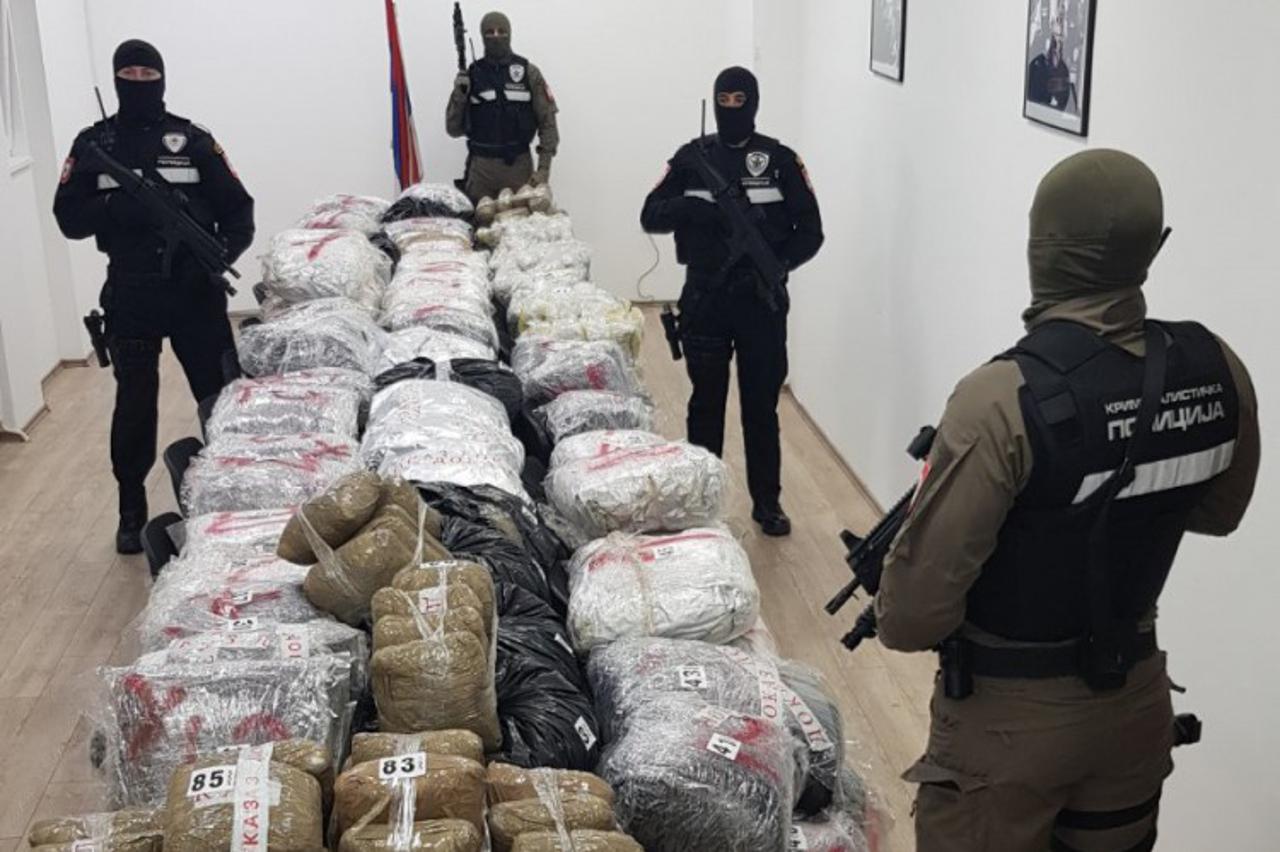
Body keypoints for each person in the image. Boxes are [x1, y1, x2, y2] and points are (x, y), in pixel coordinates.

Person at [875, 150, 1260, 852]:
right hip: (1135, 708)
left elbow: (909, 617)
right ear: (1156, 248)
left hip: (1008, 728)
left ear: (1037, 248)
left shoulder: (1000, 399)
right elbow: (1218, 513)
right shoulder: (1217, 368)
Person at [53, 39, 255, 555]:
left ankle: (232, 491)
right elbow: (68, 217)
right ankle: (131, 508)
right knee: (134, 405)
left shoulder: (192, 141)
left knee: (218, 397)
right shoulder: (94, 144)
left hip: (194, 294)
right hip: (132, 292)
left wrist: (215, 257)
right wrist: (114, 210)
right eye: (130, 73)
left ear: (162, 78)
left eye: (148, 73)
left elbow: (239, 212)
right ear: (116, 78)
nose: (139, 81)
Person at [640, 67, 824, 537]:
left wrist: (776, 265)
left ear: (754, 102)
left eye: (740, 100)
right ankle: (703, 505)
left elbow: (811, 232)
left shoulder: (780, 160)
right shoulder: (692, 158)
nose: (731, 109)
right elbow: (650, 214)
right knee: (705, 404)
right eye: (723, 100)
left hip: (760, 302)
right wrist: (692, 209)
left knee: (761, 406)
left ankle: (767, 502)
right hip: (706, 297)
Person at [446, 11, 559, 203]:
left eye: (501, 31)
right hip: (481, 173)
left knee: (520, 222)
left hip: (519, 171)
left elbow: (548, 123)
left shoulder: (528, 73)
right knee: (481, 221)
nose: (496, 36)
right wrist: (460, 94)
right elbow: (453, 129)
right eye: (490, 32)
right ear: (482, 36)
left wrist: (543, 170)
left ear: (510, 33)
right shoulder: (472, 74)